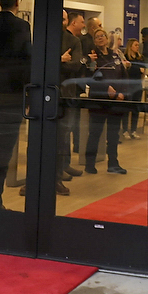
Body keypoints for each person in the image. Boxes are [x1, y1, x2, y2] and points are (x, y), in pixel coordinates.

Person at [0, 0, 47, 204]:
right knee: (4, 150)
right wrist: (28, 95)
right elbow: (26, 63)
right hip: (11, 96)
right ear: (17, 3)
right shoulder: (22, 26)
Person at [83, 29, 129, 174]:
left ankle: (113, 163)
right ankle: (89, 164)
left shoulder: (115, 55)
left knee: (114, 134)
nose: (100, 38)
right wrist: (106, 88)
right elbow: (90, 78)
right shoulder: (92, 57)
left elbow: (124, 76)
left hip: (116, 101)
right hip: (99, 100)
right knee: (95, 133)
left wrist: (122, 92)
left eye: (102, 36)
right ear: (94, 41)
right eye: (97, 37)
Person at [59, 10, 85, 175]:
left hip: (67, 93)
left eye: (64, 19)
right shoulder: (44, 37)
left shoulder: (73, 41)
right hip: (47, 93)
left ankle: (62, 169)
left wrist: (53, 62)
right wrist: (59, 59)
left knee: (64, 132)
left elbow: (75, 65)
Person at [122, 36, 145, 137]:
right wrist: (136, 68)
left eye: (138, 45)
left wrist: (135, 68)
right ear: (130, 46)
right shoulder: (125, 57)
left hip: (138, 84)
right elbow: (128, 68)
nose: (137, 47)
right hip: (128, 84)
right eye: (135, 45)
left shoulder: (140, 58)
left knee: (136, 107)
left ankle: (134, 130)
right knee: (127, 108)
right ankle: (125, 129)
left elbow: (143, 69)